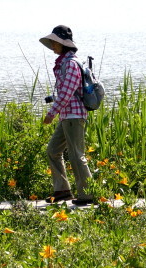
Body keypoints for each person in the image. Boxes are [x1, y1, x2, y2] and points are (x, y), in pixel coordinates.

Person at [40, 25, 94, 206]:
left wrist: (51, 113)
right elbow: (65, 93)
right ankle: (62, 191)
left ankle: (88, 194)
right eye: (52, 42)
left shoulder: (70, 64)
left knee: (76, 154)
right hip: (67, 115)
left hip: (74, 115)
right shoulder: (64, 63)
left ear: (64, 44)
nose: (53, 46)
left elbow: (67, 93)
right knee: (53, 150)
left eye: (55, 42)